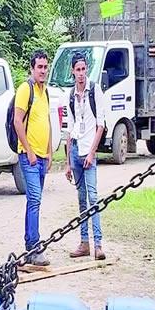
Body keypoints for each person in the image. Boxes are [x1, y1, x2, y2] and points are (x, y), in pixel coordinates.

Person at [64, 51, 106, 260]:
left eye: (83, 69)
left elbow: (101, 125)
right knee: (81, 198)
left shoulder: (95, 90)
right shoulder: (71, 95)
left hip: (89, 150)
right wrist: (68, 163)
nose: (81, 73)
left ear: (86, 69)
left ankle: (98, 243)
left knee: (93, 197)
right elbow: (69, 130)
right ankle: (84, 242)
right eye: (77, 70)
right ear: (73, 71)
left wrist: (92, 153)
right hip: (76, 150)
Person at [13, 50, 53, 265]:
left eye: (45, 67)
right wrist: (28, 150)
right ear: (32, 68)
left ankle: (31, 244)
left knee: (35, 201)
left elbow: (47, 121)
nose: (43, 71)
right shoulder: (25, 89)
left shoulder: (44, 91)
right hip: (28, 156)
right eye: (40, 67)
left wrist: (49, 152)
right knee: (35, 199)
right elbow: (17, 121)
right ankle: (34, 247)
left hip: (41, 156)